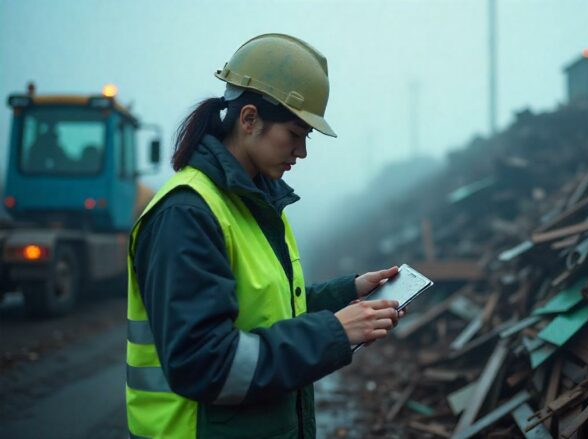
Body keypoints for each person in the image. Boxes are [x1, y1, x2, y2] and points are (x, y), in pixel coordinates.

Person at [125, 34, 403, 439]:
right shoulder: (186, 213)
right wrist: (334, 332)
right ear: (249, 118)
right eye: (295, 134)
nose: (302, 152)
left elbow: (265, 310)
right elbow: (205, 363)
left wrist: (347, 294)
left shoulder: (257, 204)